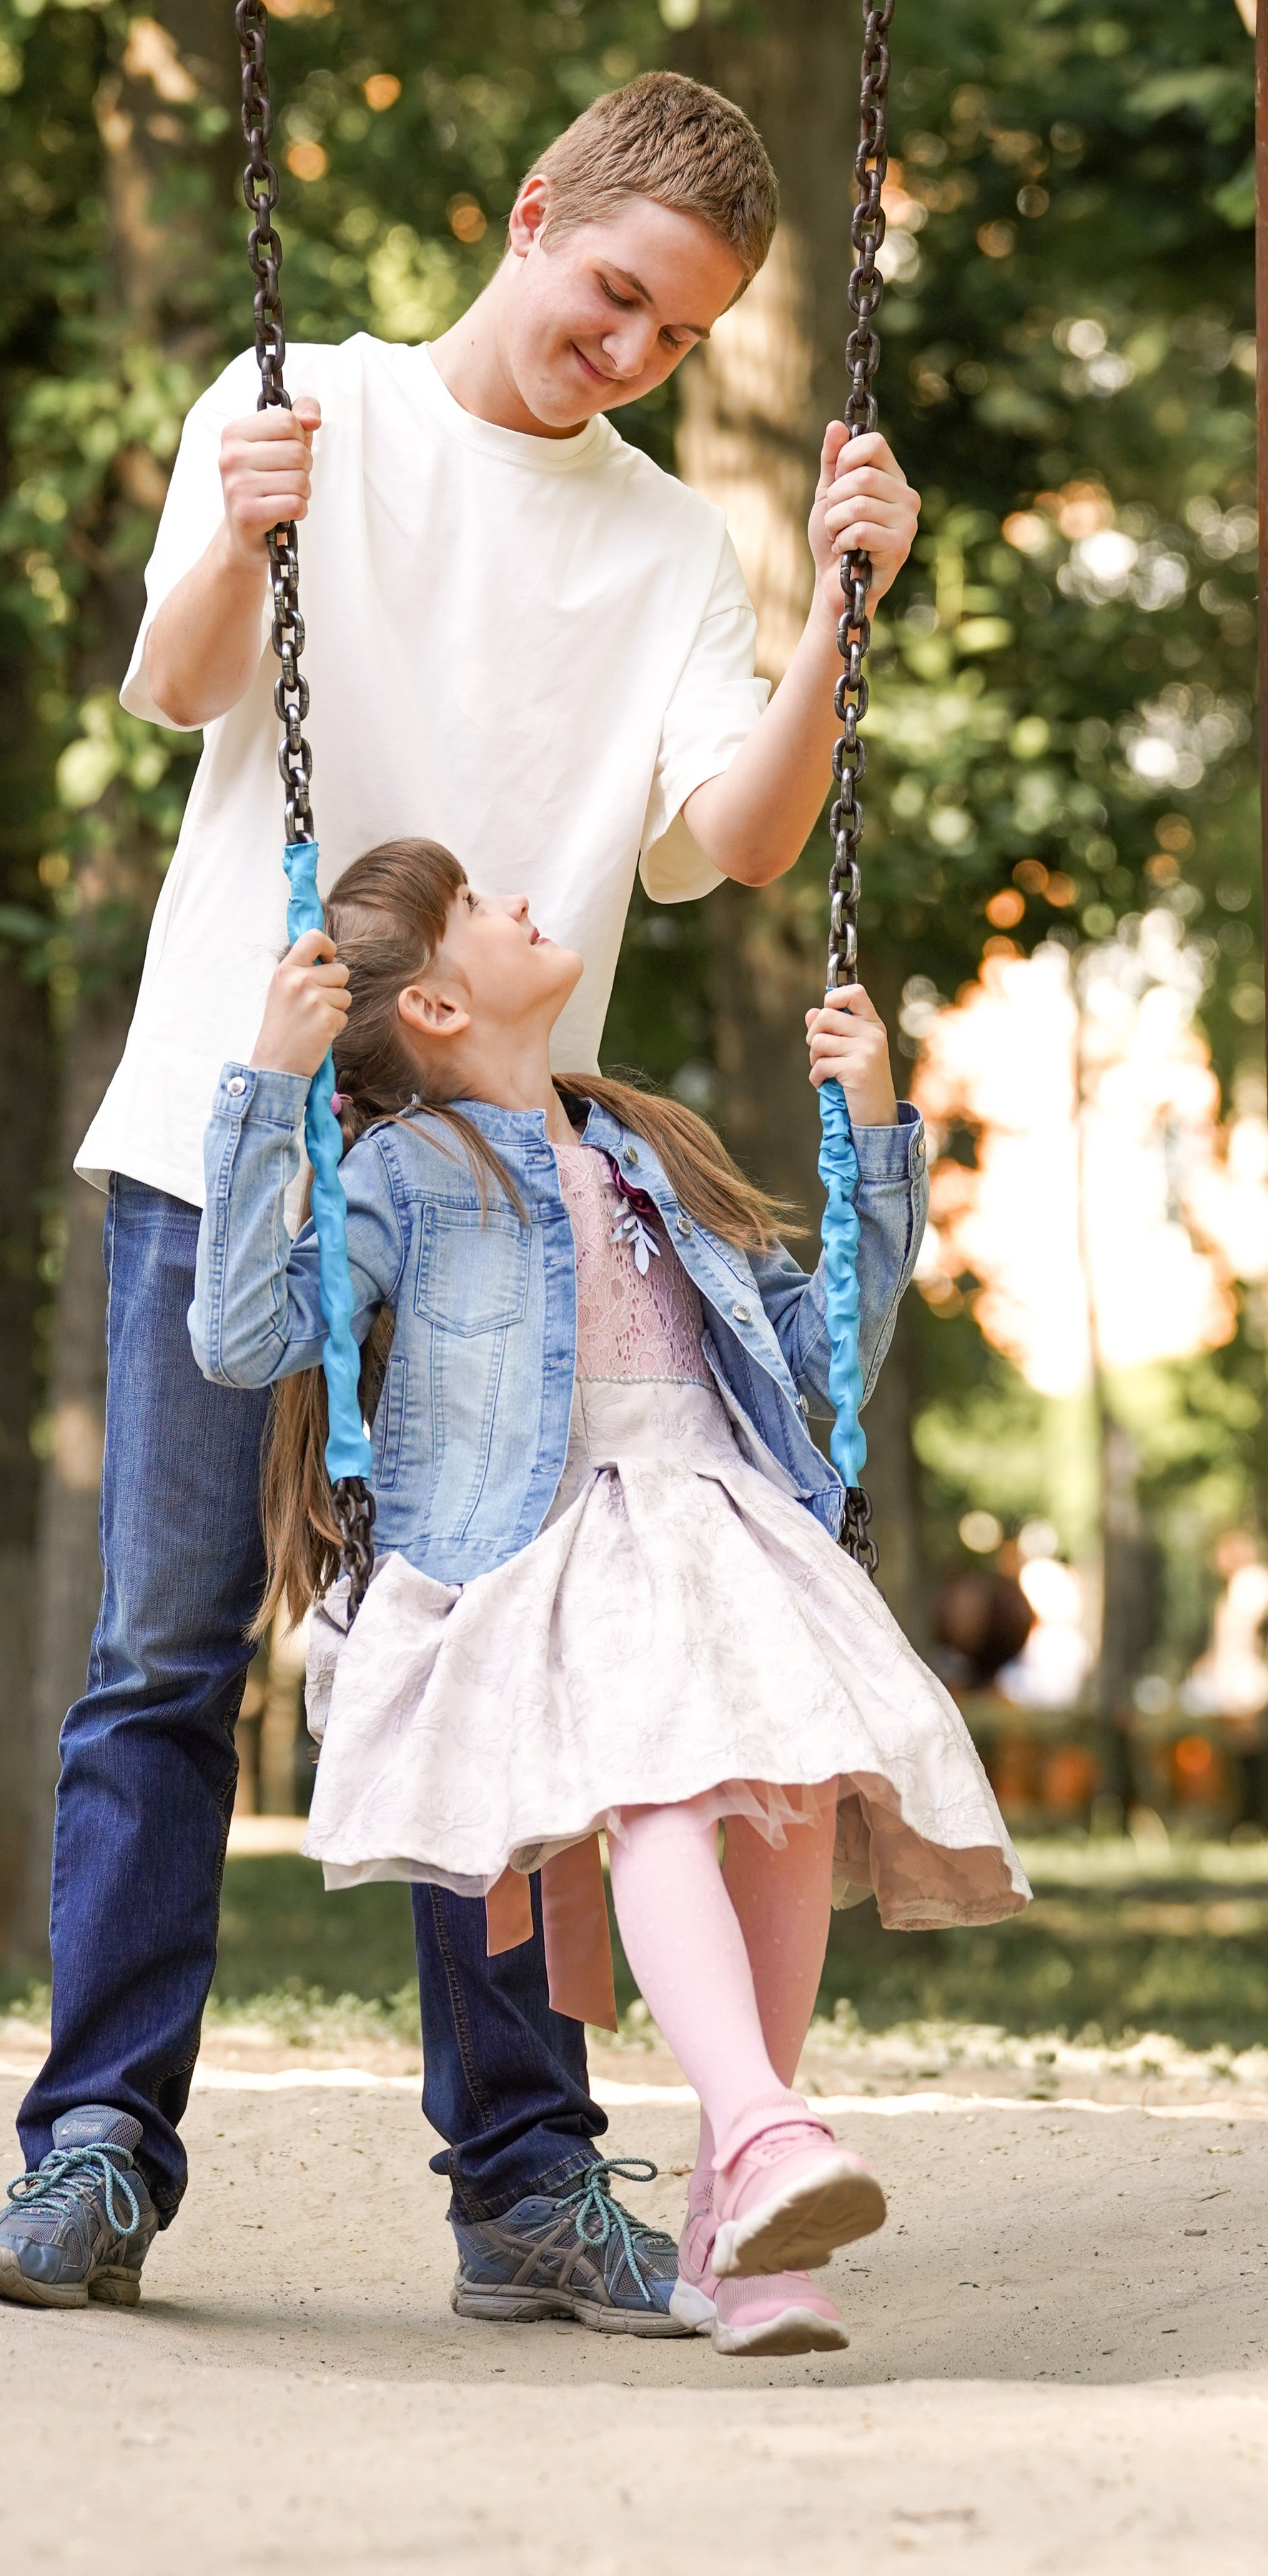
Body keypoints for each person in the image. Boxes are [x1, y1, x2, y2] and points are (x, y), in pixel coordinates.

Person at [0, 71, 921, 2331]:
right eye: (611, 302)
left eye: (676, 342)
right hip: (246, 1118)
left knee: (516, 1661)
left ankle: (525, 2183)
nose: (630, 358)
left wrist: (837, 623)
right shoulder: (309, 405)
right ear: (526, 216)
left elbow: (740, 836)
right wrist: (244, 533)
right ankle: (98, 2146)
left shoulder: (674, 543)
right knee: (167, 1658)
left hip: (496, 1182)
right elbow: (174, 688)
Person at [192, 840, 1029, 2354]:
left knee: (782, 1794)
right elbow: (244, 1333)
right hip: (550, 1539)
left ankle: (740, 2214)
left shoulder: (648, 1143)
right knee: (656, 1786)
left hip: (722, 1518)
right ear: (437, 1006)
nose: (522, 904)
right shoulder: (399, 1172)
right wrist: (268, 1084)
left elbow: (821, 1354)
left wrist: (873, 1125)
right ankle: (769, 2130)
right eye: (479, 911)